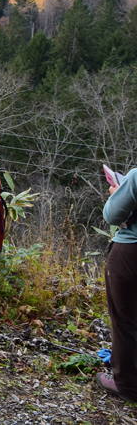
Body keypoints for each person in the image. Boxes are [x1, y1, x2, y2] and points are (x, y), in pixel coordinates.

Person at [96, 165, 137, 401]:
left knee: (124, 321)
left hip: (130, 252)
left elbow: (112, 215)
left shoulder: (135, 177)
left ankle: (126, 384)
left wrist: (116, 193)